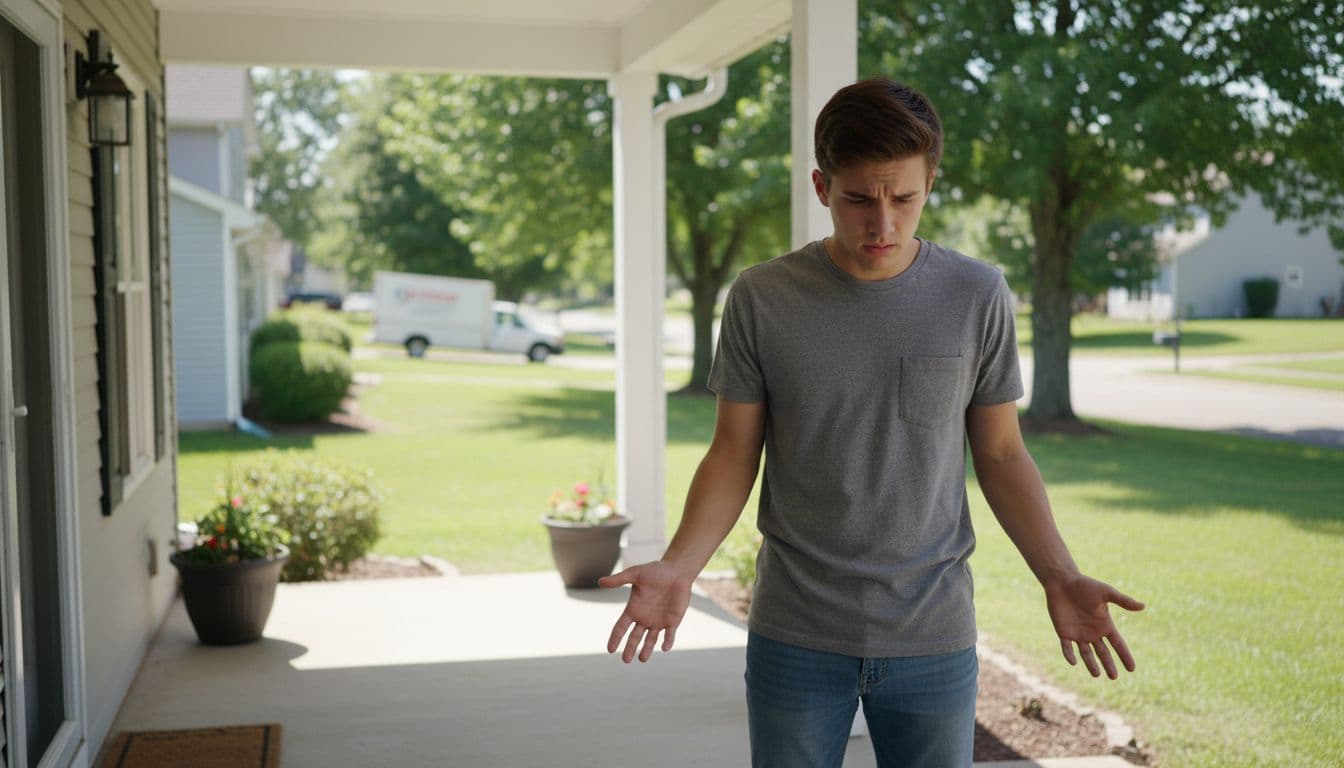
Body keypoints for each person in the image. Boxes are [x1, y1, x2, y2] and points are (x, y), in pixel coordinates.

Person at [599, 76, 1144, 768]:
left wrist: (1058, 574)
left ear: (930, 184)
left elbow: (1002, 455)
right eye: (859, 199)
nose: (882, 224)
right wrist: (681, 565)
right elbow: (734, 451)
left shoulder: (977, 295)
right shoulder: (763, 298)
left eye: (904, 199)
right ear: (823, 186)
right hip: (795, 631)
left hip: (933, 632)